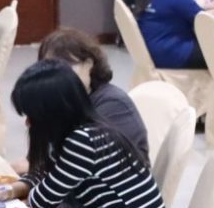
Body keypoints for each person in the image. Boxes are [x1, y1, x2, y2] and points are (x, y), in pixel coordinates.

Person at [9, 60, 172, 208]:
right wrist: (13, 190)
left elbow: (42, 200)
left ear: (51, 112)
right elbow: (48, 175)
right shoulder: (91, 130)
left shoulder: (82, 142)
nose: (27, 123)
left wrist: (22, 192)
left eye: (31, 115)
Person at [37, 27, 149, 158]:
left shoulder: (113, 104)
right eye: (51, 68)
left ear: (89, 64)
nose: (60, 75)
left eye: (67, 66)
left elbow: (86, 158)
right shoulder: (62, 101)